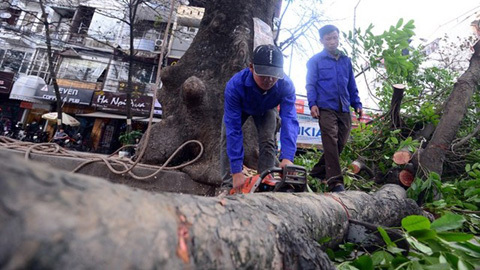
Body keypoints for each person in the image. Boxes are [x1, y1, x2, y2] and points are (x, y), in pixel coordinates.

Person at [220, 44, 299, 192]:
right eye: (264, 74)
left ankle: (266, 183)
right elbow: (234, 129)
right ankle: (228, 184)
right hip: (242, 106)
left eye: (274, 75)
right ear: (251, 67)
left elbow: (289, 119)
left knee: (268, 140)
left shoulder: (286, 86)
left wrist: (288, 157)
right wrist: (237, 170)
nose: (269, 80)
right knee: (226, 136)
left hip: (267, 108)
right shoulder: (235, 86)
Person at [306, 25, 363, 192]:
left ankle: (317, 172)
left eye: (335, 37)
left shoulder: (346, 60)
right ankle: (335, 182)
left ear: (338, 38)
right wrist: (313, 104)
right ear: (322, 41)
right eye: (328, 38)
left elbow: (351, 84)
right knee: (330, 141)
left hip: (344, 107)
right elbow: (311, 84)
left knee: (340, 143)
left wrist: (357, 104)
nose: (332, 41)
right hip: (325, 107)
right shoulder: (315, 61)